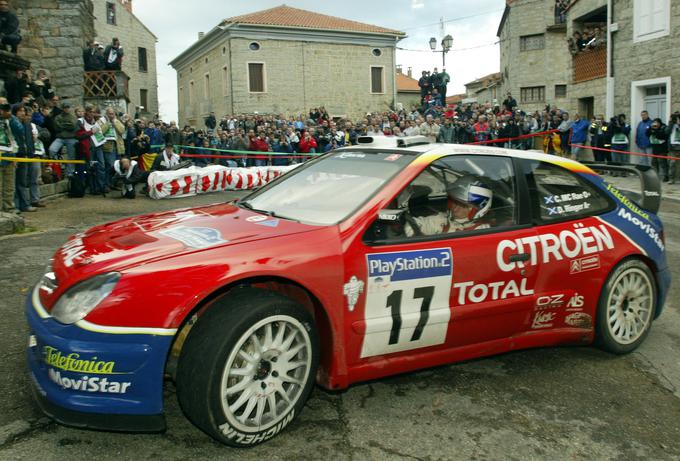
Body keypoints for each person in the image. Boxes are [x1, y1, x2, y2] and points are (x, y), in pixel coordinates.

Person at [405, 176, 493, 237]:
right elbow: (414, 223)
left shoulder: (483, 232)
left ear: (476, 211)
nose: (455, 208)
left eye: (462, 205)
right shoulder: (442, 220)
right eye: (454, 202)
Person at [48, 102, 79, 177]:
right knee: (51, 150)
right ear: (62, 108)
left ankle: (70, 172)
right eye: (65, 107)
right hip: (60, 137)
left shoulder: (73, 117)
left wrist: (63, 125)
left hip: (71, 138)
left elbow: (73, 126)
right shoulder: (58, 117)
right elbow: (56, 127)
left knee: (71, 156)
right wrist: (67, 125)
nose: (67, 109)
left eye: (68, 107)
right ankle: (58, 164)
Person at [667, 113, 680, 184]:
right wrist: (671, 122)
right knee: (672, 163)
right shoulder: (671, 125)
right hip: (673, 146)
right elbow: (667, 132)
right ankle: (671, 179)